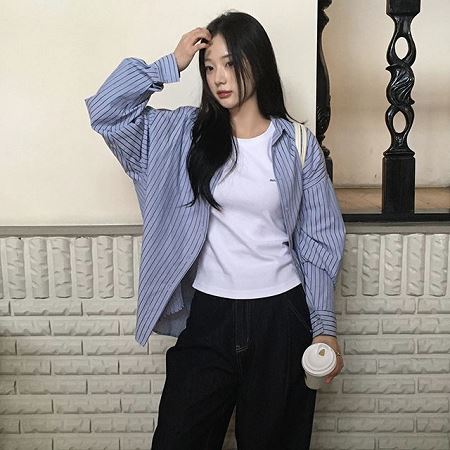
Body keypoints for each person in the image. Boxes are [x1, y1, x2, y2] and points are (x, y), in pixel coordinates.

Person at [85, 10, 345, 450]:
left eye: (230, 63)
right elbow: (107, 113)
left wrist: (324, 327)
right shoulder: (182, 136)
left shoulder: (297, 145)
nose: (219, 78)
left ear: (258, 63)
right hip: (209, 316)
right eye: (210, 67)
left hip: (282, 317)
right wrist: (170, 63)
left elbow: (317, 239)